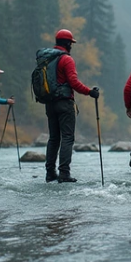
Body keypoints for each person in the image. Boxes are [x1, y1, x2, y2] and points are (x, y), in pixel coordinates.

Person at [41, 29, 99, 183]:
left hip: (49, 103)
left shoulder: (47, 59)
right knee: (67, 137)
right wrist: (89, 92)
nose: (72, 45)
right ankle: (64, 174)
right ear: (67, 43)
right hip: (64, 103)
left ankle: (50, 173)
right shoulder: (66, 59)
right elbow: (73, 82)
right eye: (71, 43)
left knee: (53, 138)